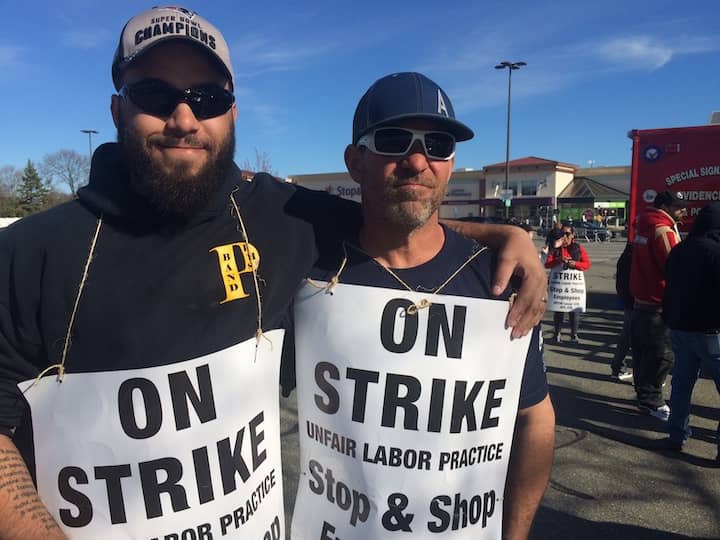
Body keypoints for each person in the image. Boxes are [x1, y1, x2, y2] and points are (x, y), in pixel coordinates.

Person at [0, 7, 549, 539]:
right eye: (154, 94)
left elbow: (397, 215)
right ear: (118, 109)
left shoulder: (280, 217)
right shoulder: (28, 254)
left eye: (208, 98)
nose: (185, 117)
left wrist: (507, 236)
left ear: (232, 114)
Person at [290, 72, 555, 540]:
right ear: (356, 161)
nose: (417, 160)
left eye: (438, 144)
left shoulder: (498, 281)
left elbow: (534, 417)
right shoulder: (310, 274)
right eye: (393, 141)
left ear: (451, 165)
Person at [661, 202, 720, 464]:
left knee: (681, 386)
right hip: (711, 331)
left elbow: (669, 285)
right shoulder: (716, 252)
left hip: (681, 328)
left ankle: (676, 435)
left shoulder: (679, 250)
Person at [630, 190, 688, 420]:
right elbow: (674, 266)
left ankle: (643, 394)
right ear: (666, 206)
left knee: (643, 352)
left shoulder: (643, 224)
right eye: (679, 206)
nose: (684, 210)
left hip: (642, 299)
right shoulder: (663, 230)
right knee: (661, 355)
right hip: (659, 301)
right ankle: (652, 400)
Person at [544, 225, 591, 343]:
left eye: (567, 234)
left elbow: (586, 264)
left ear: (573, 235)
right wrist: (559, 260)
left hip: (573, 287)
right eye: (562, 234)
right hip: (559, 286)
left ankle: (574, 335)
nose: (565, 237)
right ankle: (557, 334)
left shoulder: (578, 248)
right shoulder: (555, 248)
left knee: (574, 312)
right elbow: (547, 264)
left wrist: (575, 264)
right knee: (558, 310)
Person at [610, 242, 634, 381]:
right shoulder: (635, 261)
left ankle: (617, 368)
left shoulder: (624, 259)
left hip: (627, 301)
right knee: (638, 340)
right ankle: (639, 374)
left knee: (625, 338)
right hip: (637, 301)